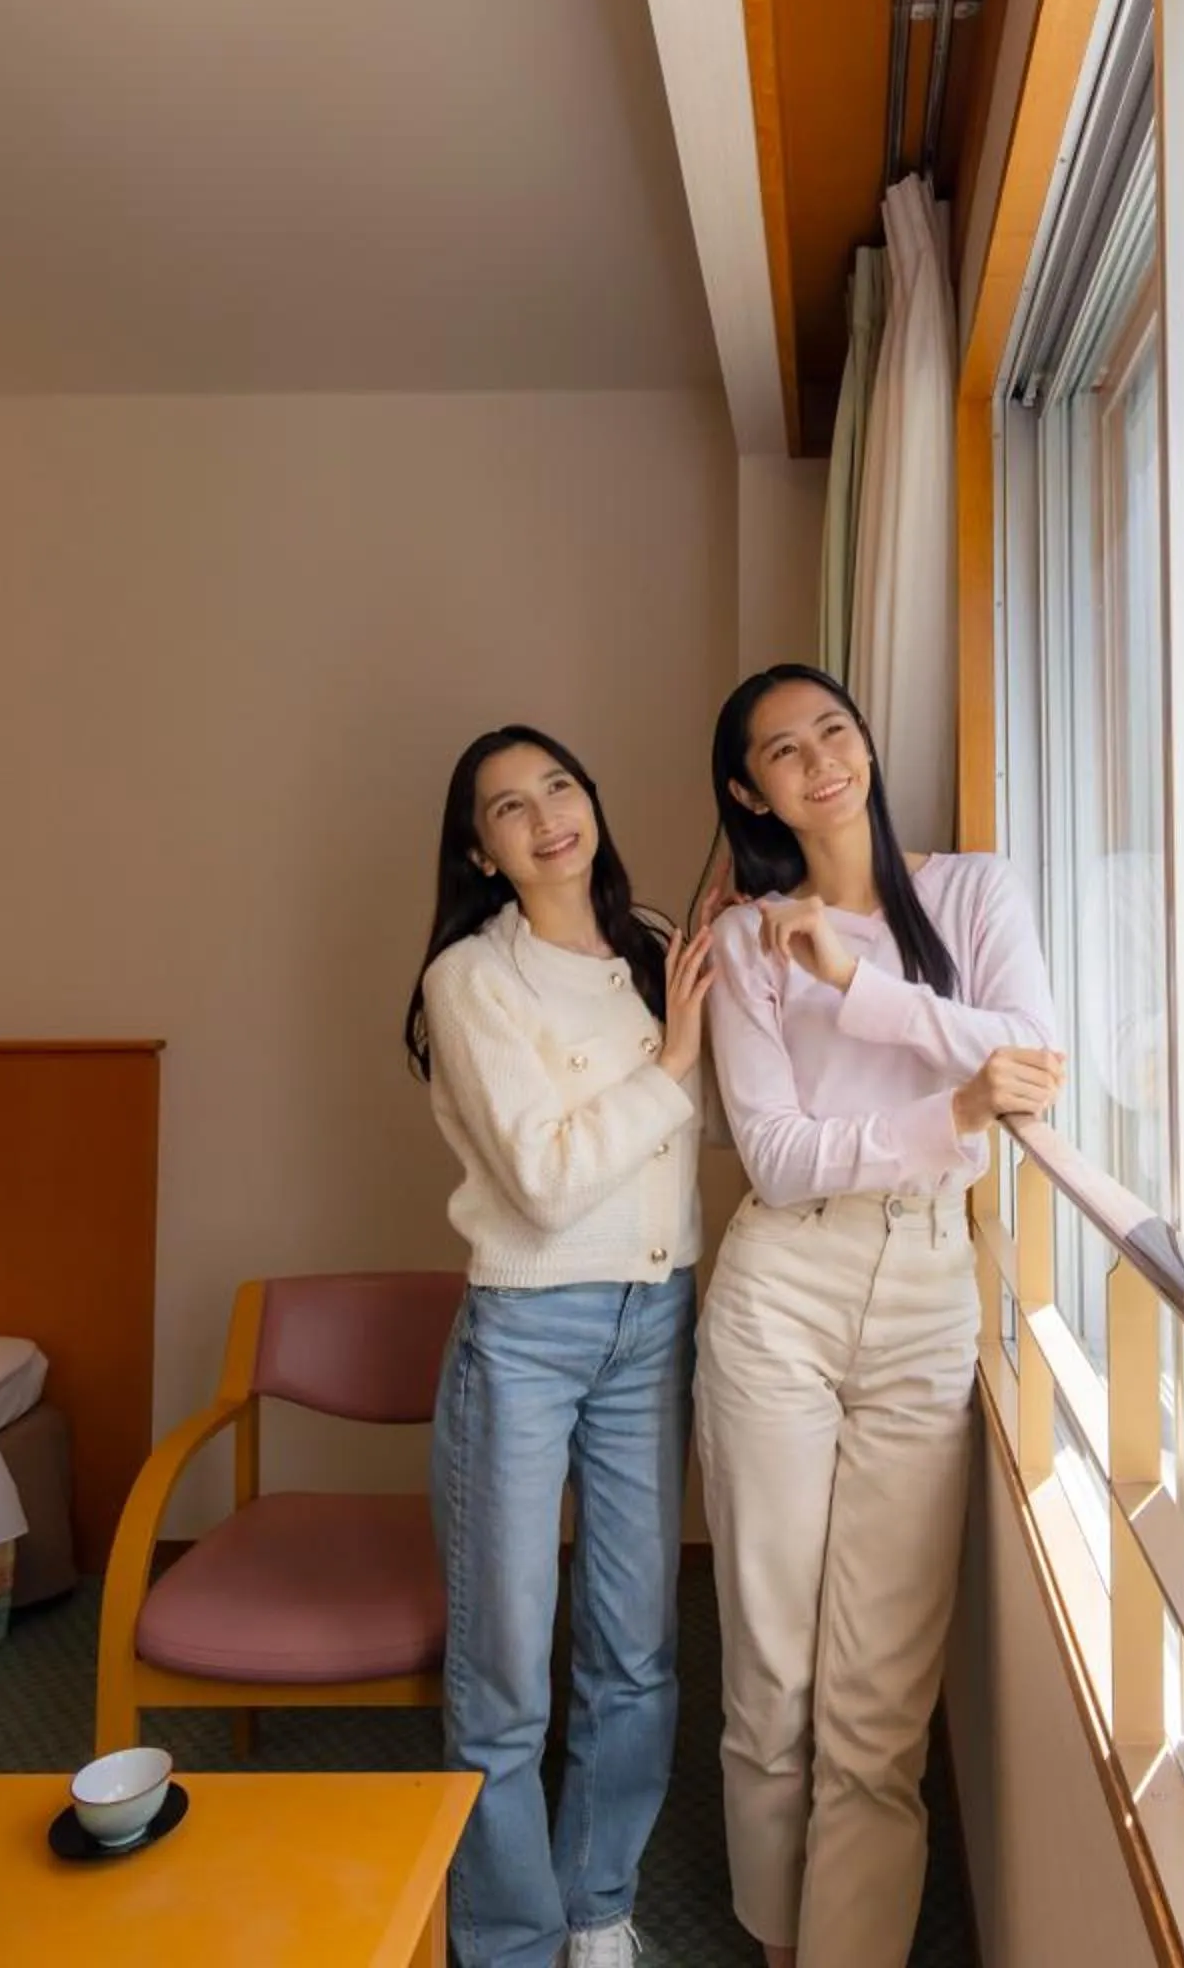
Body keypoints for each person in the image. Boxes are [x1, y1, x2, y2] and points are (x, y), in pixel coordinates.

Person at [693, 665, 1064, 1966]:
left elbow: (1032, 1052)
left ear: (864, 744)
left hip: (923, 1294)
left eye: (832, 732)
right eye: (782, 752)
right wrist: (949, 1108)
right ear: (752, 790)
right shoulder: (744, 941)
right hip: (780, 1291)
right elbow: (781, 1157)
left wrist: (857, 982)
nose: (819, 761)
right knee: (773, 1670)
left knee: (880, 1698)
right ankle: (777, 1937)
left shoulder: (973, 890)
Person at [405, 725, 718, 1968]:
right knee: (504, 1667)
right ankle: (511, 1938)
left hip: (658, 1317)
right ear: (480, 851)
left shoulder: (650, 946)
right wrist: (678, 1059)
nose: (544, 817)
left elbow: (711, 1131)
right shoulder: (472, 978)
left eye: (560, 786)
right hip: (530, 1328)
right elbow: (544, 1179)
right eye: (506, 807)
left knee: (637, 1647)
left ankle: (597, 1904)